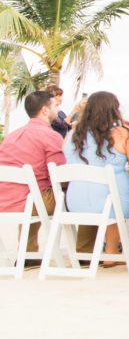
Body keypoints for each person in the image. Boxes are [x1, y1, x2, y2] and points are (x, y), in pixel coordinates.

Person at [63, 91, 129, 266]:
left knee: (107, 195)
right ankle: (111, 252)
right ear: (113, 111)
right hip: (113, 202)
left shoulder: (72, 135)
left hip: (75, 202)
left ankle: (108, 251)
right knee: (115, 196)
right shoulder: (122, 134)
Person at [0, 91, 66, 264]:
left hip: (5, 199)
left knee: (34, 192)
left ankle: (28, 253)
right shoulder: (51, 136)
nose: (58, 110)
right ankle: (85, 251)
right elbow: (60, 177)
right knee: (73, 193)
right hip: (32, 201)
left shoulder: (11, 137)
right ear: (44, 110)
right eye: (55, 106)